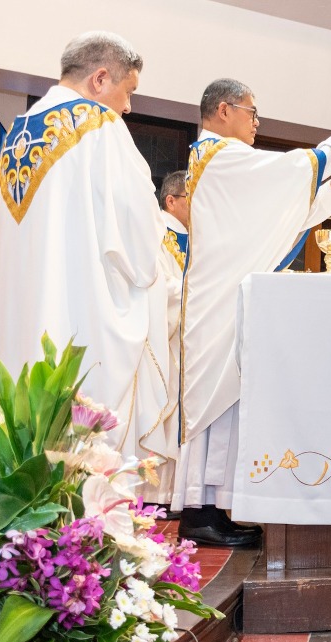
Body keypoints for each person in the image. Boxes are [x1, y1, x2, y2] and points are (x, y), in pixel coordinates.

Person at [174, 77, 331, 546]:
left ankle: (215, 507)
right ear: (223, 110)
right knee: (215, 402)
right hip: (217, 298)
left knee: (228, 399)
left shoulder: (218, 160)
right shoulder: (218, 155)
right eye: (252, 111)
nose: (257, 122)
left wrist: (329, 191)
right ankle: (200, 513)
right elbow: (281, 174)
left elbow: (268, 214)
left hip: (224, 294)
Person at [0, 32, 167, 463]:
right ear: (100, 79)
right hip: (78, 312)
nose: (128, 107)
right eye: (129, 92)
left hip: (17, 317)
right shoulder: (102, 127)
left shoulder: (15, 133)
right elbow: (140, 241)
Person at [140, 171, 190, 509]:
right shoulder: (157, 231)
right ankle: (155, 494)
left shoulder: (193, 236)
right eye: (192, 196)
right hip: (164, 338)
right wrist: (194, 293)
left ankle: (176, 493)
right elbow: (155, 283)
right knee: (165, 408)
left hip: (188, 339)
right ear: (171, 200)